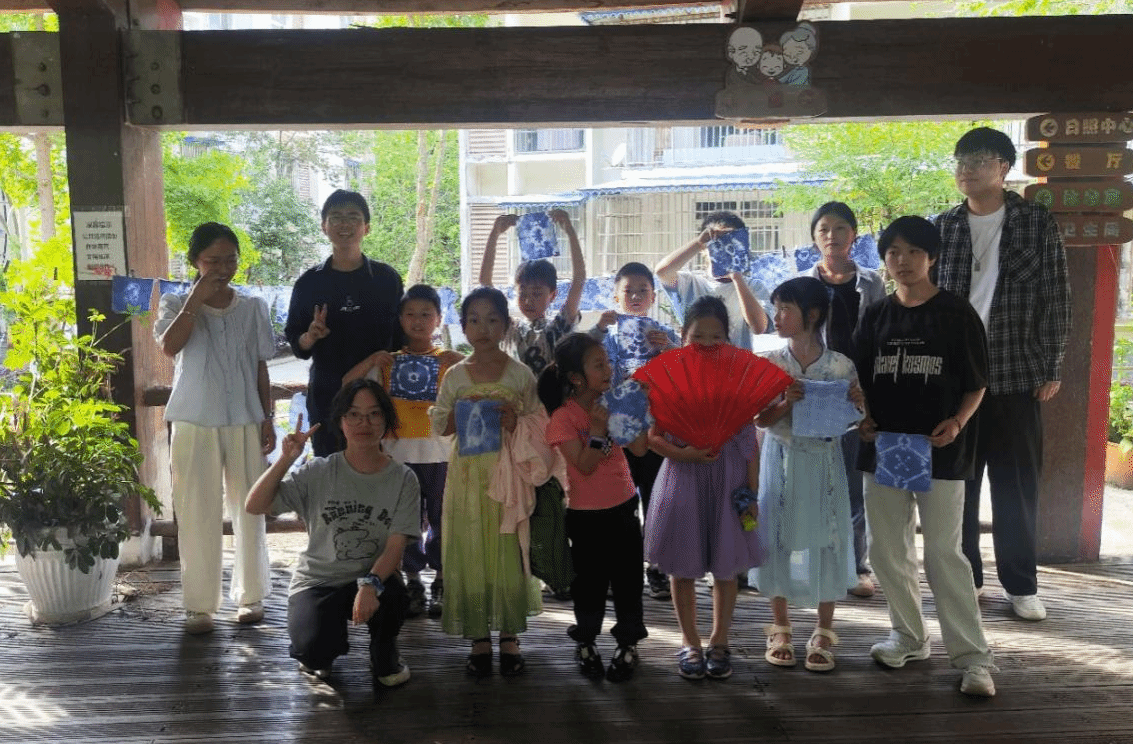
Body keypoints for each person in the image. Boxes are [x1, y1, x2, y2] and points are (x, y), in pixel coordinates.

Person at [854, 216, 996, 697]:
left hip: (941, 451)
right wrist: (864, 418)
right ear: (884, 260)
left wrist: (957, 422)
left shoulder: (956, 314)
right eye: (893, 252)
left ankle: (973, 658)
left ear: (932, 257)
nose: (903, 261)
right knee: (887, 550)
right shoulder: (876, 315)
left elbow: (977, 383)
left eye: (914, 251)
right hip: (885, 449)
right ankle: (909, 637)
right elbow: (860, 383)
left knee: (943, 553)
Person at [936, 127, 1071, 622]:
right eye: (961, 161)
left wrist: (1051, 364)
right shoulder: (943, 226)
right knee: (959, 486)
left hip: (1016, 372)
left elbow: (1056, 295)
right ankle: (967, 578)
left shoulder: (1035, 222)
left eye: (979, 160)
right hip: (956, 380)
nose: (967, 170)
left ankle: (1021, 584)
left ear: (1004, 168)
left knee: (1016, 486)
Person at [245, 379, 419, 688]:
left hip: (374, 576)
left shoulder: (403, 479)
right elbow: (255, 505)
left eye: (374, 414)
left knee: (393, 598)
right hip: (319, 579)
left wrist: (371, 584)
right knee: (314, 654)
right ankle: (321, 649)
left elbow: (395, 546)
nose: (364, 423)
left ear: (386, 420)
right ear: (340, 421)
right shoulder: (319, 471)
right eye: (354, 414)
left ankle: (384, 650)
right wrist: (286, 458)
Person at [154, 222, 274, 635]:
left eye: (230, 260)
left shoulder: (253, 306)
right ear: (195, 262)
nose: (223, 268)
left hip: (245, 417)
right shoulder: (174, 302)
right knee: (195, 510)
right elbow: (170, 346)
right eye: (213, 260)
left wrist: (267, 417)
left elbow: (260, 366)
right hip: (193, 419)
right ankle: (199, 606)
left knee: (250, 508)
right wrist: (195, 300)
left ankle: (251, 595)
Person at [428, 287, 547, 677]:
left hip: (507, 475)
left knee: (508, 546)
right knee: (471, 546)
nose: (483, 328)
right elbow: (440, 425)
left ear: (506, 325)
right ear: (463, 327)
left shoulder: (520, 374)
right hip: (466, 478)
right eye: (474, 320)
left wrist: (515, 422)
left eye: (492, 319)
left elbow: (539, 424)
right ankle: (478, 635)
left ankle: (510, 634)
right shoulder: (455, 375)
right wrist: (463, 412)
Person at [644, 296, 763, 681]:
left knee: (726, 569)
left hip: (730, 481)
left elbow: (750, 442)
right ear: (683, 337)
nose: (707, 343)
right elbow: (652, 438)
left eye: (716, 337)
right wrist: (687, 454)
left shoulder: (739, 382)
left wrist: (752, 493)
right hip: (684, 478)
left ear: (728, 339)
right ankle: (690, 641)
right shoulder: (669, 381)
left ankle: (719, 640)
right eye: (698, 336)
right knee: (682, 567)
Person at [756, 277, 862, 672]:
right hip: (780, 459)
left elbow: (853, 422)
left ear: (812, 314)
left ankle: (823, 628)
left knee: (828, 539)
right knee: (776, 537)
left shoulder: (840, 366)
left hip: (823, 460)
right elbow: (760, 419)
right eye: (776, 308)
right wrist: (785, 402)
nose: (777, 316)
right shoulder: (770, 363)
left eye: (785, 308)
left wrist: (856, 404)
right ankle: (780, 626)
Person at [343, 284, 464, 619]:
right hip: (397, 458)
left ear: (439, 318)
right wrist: (371, 359)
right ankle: (413, 581)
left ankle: (442, 580)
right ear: (399, 319)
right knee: (405, 523)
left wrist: (463, 360)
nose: (418, 320)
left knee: (443, 519)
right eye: (410, 314)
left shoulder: (449, 362)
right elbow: (347, 385)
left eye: (426, 314)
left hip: (442, 455)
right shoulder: (387, 362)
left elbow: (484, 381)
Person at [540, 333, 651, 682]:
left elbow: (640, 449)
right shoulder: (564, 417)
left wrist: (637, 409)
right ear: (576, 377)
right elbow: (584, 465)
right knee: (589, 585)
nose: (609, 370)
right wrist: (600, 429)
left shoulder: (614, 402)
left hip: (624, 506)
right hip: (585, 516)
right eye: (598, 365)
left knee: (629, 581)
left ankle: (628, 642)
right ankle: (586, 640)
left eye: (608, 362)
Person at [800, 202, 887, 598]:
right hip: (815, 393)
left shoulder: (871, 283)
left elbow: (880, 338)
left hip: (857, 393)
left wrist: (870, 392)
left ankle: (856, 567)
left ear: (853, 235)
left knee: (855, 484)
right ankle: (818, 563)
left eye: (840, 228)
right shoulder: (802, 283)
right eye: (823, 229)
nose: (831, 236)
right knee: (815, 481)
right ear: (814, 237)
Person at [285, 189, 405, 457]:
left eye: (353, 217)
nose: (345, 224)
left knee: (381, 467)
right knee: (329, 468)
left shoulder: (387, 279)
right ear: (324, 226)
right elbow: (297, 344)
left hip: (379, 394)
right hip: (328, 395)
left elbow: (402, 337)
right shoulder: (309, 283)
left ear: (366, 227)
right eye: (336, 217)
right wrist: (310, 336)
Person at [592, 261, 678, 601]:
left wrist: (668, 349)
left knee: (657, 497)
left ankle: (658, 567)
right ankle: (621, 570)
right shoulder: (607, 336)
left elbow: (684, 371)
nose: (636, 296)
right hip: (617, 430)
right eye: (629, 291)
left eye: (643, 290)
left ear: (654, 296)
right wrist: (600, 329)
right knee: (620, 501)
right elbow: (594, 371)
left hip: (656, 430)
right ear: (616, 296)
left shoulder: (665, 335)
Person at [478, 209, 587, 377]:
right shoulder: (509, 327)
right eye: (522, 293)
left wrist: (570, 232)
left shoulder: (559, 326)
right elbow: (485, 282)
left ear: (552, 295)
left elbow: (579, 280)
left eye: (537, 293)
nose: (528, 301)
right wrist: (494, 234)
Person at [655, 210, 771, 352]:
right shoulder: (690, 283)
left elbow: (759, 327)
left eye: (732, 242)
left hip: (737, 364)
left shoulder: (753, 286)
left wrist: (737, 276)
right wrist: (698, 242)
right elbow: (662, 272)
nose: (725, 248)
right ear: (704, 248)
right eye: (718, 242)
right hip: (697, 363)